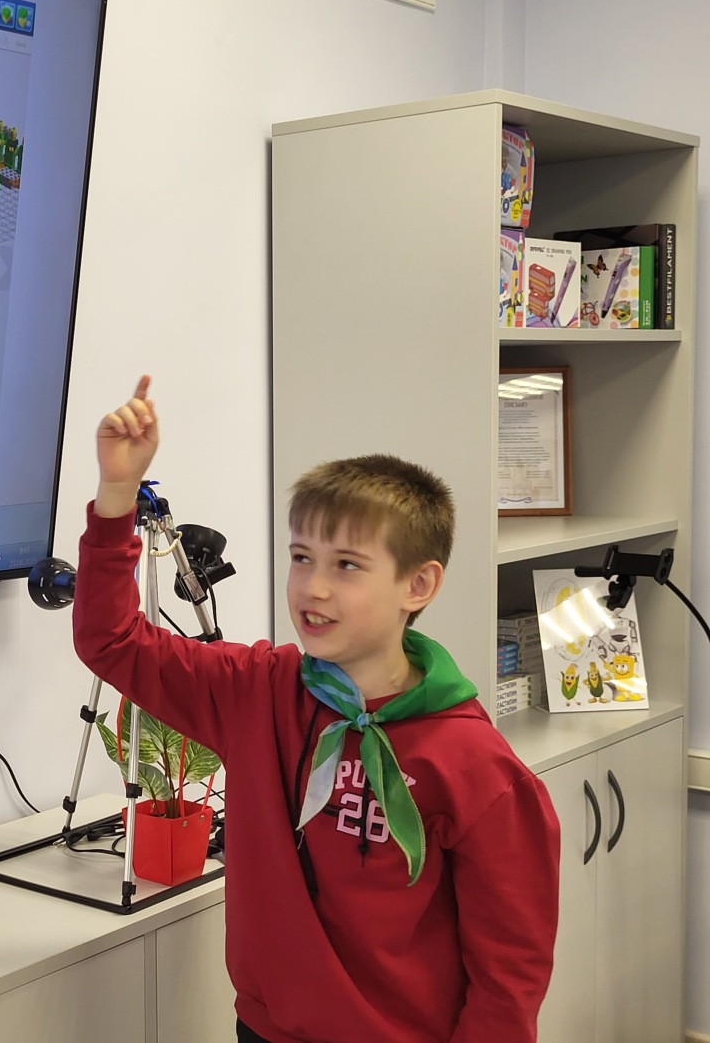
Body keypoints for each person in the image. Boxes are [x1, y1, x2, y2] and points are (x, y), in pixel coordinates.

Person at [72, 375, 560, 1043]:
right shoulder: (256, 691)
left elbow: (510, 977)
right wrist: (117, 493)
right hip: (265, 1029)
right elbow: (111, 640)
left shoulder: (476, 766)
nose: (314, 587)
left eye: (347, 565)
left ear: (418, 584)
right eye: (302, 557)